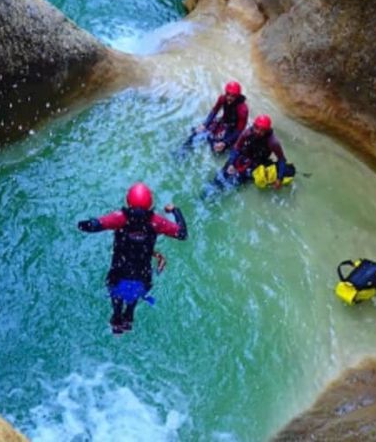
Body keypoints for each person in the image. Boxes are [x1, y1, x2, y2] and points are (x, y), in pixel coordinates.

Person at [77, 182, 187, 334]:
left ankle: (116, 322)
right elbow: (182, 234)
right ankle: (128, 320)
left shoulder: (119, 219)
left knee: (116, 303)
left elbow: (90, 226)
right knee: (132, 303)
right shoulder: (156, 222)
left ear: (127, 203)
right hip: (141, 278)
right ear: (151, 206)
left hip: (118, 275)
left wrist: (83, 223)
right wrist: (175, 210)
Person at [220, 114, 290, 188]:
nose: (258, 132)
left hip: (258, 163)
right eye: (257, 128)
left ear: (267, 130)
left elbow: (282, 159)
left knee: (237, 180)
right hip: (245, 156)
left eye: (262, 130)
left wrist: (279, 179)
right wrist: (231, 162)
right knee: (225, 171)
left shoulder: (273, 142)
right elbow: (237, 147)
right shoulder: (247, 132)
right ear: (254, 126)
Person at [193, 81, 249, 153]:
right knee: (197, 132)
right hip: (224, 121)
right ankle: (184, 149)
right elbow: (214, 111)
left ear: (237, 96)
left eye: (233, 96)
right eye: (228, 94)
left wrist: (225, 142)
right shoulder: (222, 98)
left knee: (217, 148)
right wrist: (205, 124)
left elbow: (239, 130)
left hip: (233, 129)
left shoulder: (243, 109)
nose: (229, 98)